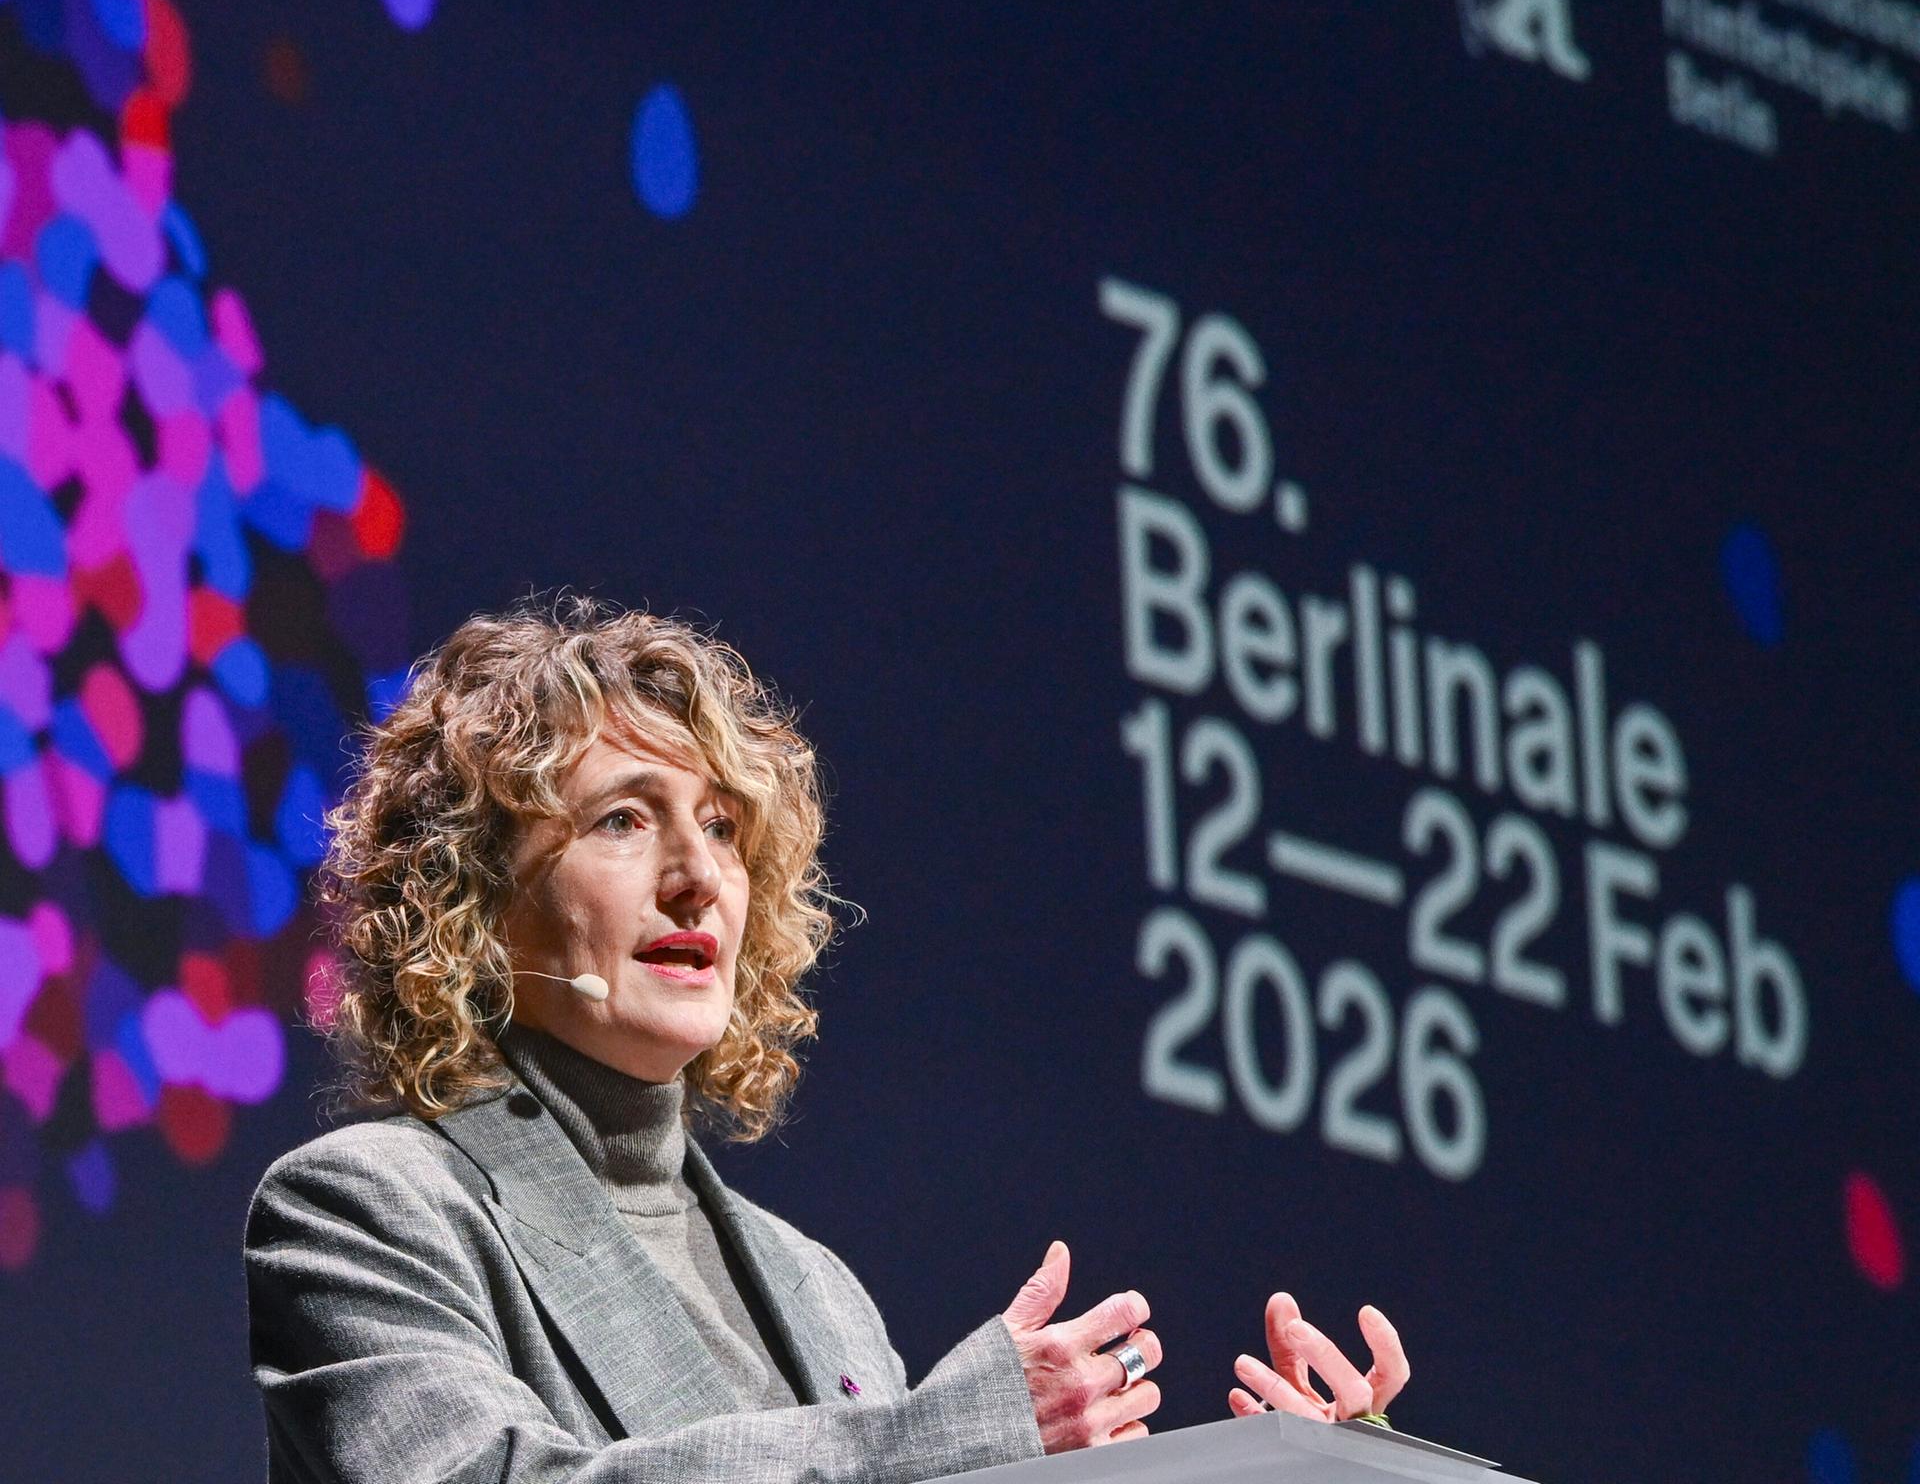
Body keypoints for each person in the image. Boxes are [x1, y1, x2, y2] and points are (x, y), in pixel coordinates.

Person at [245, 597, 1408, 1483]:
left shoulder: (818, 1293)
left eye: (721, 827)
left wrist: (1306, 1471)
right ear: (472, 898)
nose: (700, 877)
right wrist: (938, 1439)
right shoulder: (369, 1208)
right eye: (623, 819)